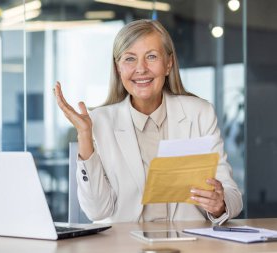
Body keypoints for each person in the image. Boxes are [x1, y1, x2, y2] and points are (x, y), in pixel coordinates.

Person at [54, 19, 242, 224]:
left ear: (168, 64)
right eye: (129, 59)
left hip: (188, 243)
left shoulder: (199, 113)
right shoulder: (100, 122)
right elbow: (97, 211)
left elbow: (232, 196)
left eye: (151, 57)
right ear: (118, 68)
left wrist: (219, 204)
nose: (141, 69)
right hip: (124, 244)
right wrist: (84, 135)